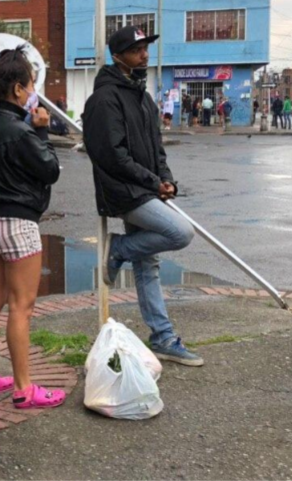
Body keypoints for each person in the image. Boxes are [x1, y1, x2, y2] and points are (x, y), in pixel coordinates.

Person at [82, 26, 202, 366]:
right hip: (123, 192)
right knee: (180, 232)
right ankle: (117, 248)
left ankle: (162, 336)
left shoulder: (142, 96)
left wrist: (166, 179)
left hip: (146, 188)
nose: (144, 55)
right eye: (137, 50)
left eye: (146, 48)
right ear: (118, 56)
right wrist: (152, 182)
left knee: (148, 264)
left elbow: (156, 148)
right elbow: (112, 156)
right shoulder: (105, 99)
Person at [0, 46, 65, 409]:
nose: (33, 91)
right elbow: (50, 170)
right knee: (21, 308)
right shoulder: (23, 132)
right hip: (18, 224)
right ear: (18, 89)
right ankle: (24, 388)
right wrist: (42, 132)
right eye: (31, 84)